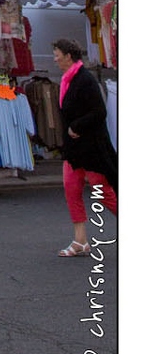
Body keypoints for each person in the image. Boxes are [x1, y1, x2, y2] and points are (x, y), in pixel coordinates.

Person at [53, 37, 118, 256]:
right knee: (71, 189)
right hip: (73, 149)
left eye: (57, 55)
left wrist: (77, 127)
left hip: (91, 147)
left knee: (103, 193)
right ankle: (80, 240)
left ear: (68, 56)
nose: (55, 59)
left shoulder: (85, 79)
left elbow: (100, 112)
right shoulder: (67, 80)